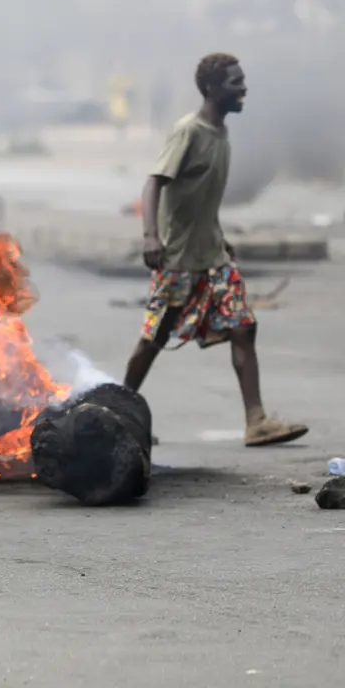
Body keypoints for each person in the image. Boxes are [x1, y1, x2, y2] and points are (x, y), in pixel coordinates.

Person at [123, 52, 308, 447]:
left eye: (242, 80)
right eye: (234, 82)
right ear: (211, 89)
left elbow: (201, 198)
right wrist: (151, 237)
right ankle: (120, 411)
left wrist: (219, 237)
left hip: (213, 259)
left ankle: (256, 421)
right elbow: (154, 183)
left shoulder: (221, 134)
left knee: (243, 327)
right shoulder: (188, 131)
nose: (243, 88)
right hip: (179, 260)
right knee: (155, 336)